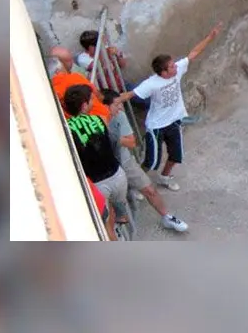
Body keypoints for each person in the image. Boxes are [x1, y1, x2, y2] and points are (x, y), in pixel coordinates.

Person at [112, 22, 223, 191]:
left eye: (173, 64)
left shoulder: (176, 71)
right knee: (151, 162)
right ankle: (135, 185)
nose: (175, 66)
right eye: (171, 66)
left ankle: (164, 177)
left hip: (174, 122)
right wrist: (112, 103)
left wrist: (210, 36)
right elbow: (130, 94)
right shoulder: (151, 83)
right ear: (163, 72)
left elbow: (193, 53)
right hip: (156, 126)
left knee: (176, 156)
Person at [100, 89, 189, 232]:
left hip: (125, 160)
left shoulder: (119, 116)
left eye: (120, 103)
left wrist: (109, 137)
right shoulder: (94, 122)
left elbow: (131, 142)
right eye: (116, 104)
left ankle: (167, 217)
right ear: (104, 106)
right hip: (107, 167)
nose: (121, 108)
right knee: (111, 204)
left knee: (149, 189)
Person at [62, 84, 131, 232]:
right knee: (120, 209)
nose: (94, 102)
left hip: (96, 184)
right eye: (91, 100)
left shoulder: (66, 129)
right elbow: (113, 143)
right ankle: (122, 219)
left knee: (106, 222)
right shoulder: (100, 119)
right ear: (84, 105)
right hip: (117, 174)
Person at [48, 48, 111, 120]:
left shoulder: (49, 91)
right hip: (100, 118)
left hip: (78, 124)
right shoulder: (74, 77)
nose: (71, 63)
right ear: (58, 70)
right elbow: (98, 95)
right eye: (67, 61)